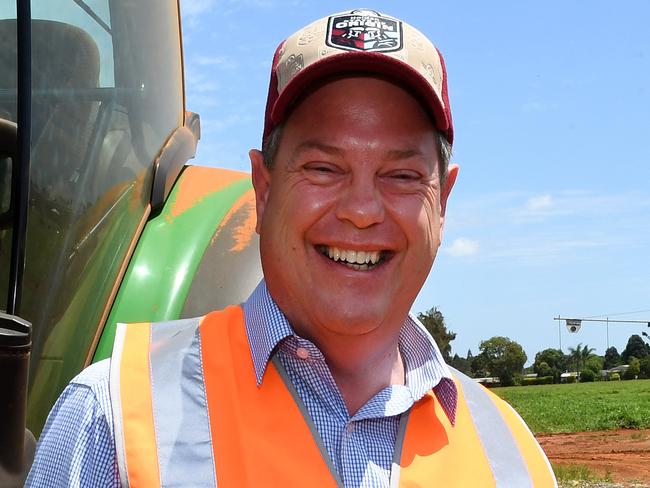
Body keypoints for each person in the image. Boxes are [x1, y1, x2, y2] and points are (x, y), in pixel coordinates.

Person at [27, 9, 556, 487]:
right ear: (262, 187)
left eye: (401, 174)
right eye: (324, 168)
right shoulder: (112, 422)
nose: (362, 209)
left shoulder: (512, 457)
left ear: (443, 203)